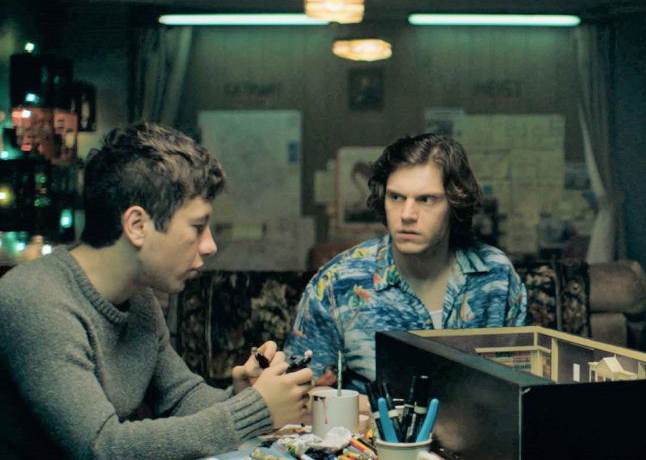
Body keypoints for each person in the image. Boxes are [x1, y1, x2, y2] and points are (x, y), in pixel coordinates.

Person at [0, 123, 314, 459]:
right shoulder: (35, 299)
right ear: (137, 226)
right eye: (197, 227)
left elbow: (180, 397)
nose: (210, 246)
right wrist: (254, 410)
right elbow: (102, 447)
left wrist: (245, 397)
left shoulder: (138, 296)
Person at [285, 133, 527, 391]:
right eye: (396, 197)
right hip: (369, 418)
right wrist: (362, 406)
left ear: (455, 204)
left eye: (426, 199)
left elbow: (522, 389)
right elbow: (297, 395)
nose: (407, 214)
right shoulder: (338, 282)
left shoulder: (496, 275)